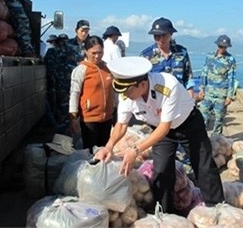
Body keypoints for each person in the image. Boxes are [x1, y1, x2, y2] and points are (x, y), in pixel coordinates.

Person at [94, 56, 224, 213]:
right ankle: (163, 213)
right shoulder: (127, 94)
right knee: (161, 170)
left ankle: (217, 208)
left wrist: (135, 150)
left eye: (128, 91)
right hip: (159, 131)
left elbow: (165, 127)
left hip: (187, 125)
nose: (125, 95)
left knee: (203, 165)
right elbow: (121, 125)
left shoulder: (167, 86)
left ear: (142, 84)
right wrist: (109, 147)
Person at [69, 35, 115, 153]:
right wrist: (73, 117)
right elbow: (74, 93)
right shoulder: (81, 70)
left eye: (100, 52)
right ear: (86, 51)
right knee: (90, 153)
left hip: (107, 118)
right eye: (93, 53)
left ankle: (101, 172)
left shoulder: (107, 68)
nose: (97, 56)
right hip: (89, 120)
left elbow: (114, 90)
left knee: (104, 151)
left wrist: (117, 109)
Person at [140, 17, 195, 98]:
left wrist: (190, 102)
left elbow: (188, 79)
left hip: (178, 99)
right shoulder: (146, 55)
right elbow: (141, 83)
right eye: (156, 36)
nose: (160, 39)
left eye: (163, 35)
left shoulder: (182, 53)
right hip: (155, 101)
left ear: (171, 34)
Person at [198, 35, 237, 135]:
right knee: (202, 117)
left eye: (224, 47)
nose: (222, 48)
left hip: (221, 94)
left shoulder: (230, 60)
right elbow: (204, 73)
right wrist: (202, 89)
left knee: (219, 119)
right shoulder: (210, 56)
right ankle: (201, 138)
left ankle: (217, 140)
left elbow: (231, 78)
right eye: (220, 46)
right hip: (208, 92)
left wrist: (229, 96)